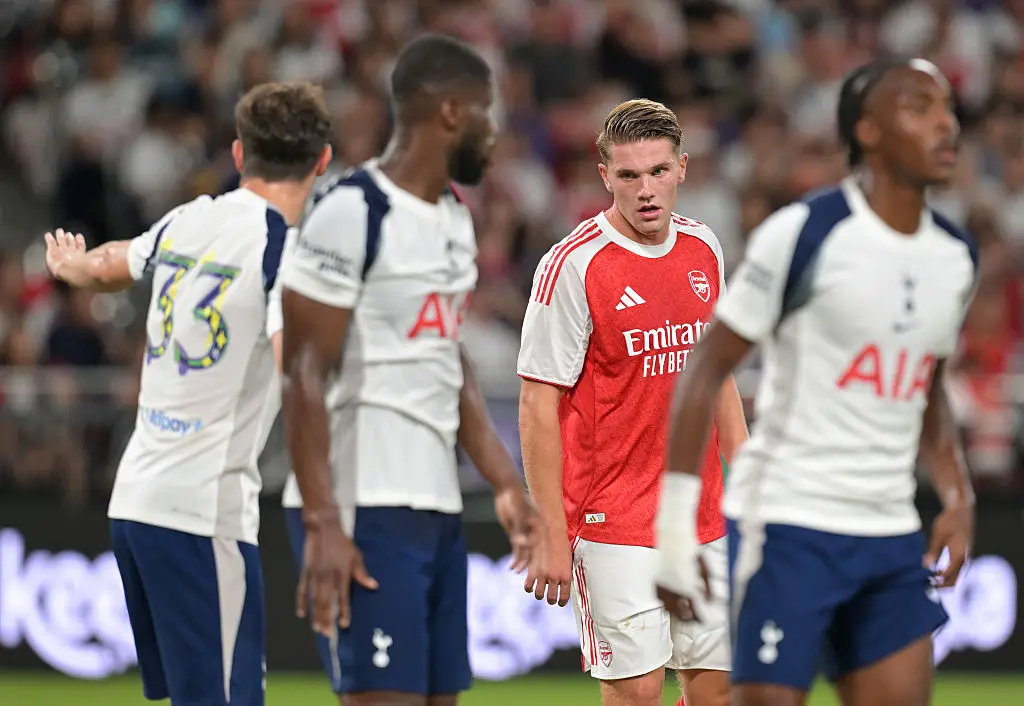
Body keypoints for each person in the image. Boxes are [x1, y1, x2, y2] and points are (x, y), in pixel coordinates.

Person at [655, 58, 976, 706]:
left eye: (946, 106)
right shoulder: (807, 233)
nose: (945, 123)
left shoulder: (954, 257)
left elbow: (927, 387)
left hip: (888, 531)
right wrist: (673, 525)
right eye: (918, 106)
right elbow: (706, 364)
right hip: (787, 523)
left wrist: (956, 489)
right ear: (869, 131)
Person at [277, 34, 547, 706]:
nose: (494, 133)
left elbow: (444, 355)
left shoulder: (455, 217)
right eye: (488, 115)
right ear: (451, 113)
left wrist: (506, 483)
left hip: (436, 508)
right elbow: (302, 372)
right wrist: (323, 523)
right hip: (361, 503)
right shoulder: (352, 211)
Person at [43, 82, 332, 705]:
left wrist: (72, 267)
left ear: (236, 153)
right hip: (203, 517)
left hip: (137, 503)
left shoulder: (190, 217)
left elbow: (112, 262)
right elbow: (302, 383)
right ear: (323, 161)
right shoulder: (285, 252)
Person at [517, 98, 749, 706]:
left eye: (658, 171)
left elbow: (717, 377)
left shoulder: (704, 250)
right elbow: (538, 403)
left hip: (704, 515)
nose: (645, 190)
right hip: (611, 519)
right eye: (628, 175)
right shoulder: (572, 266)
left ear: (682, 168)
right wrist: (549, 529)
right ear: (604, 177)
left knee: (718, 691)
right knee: (638, 693)